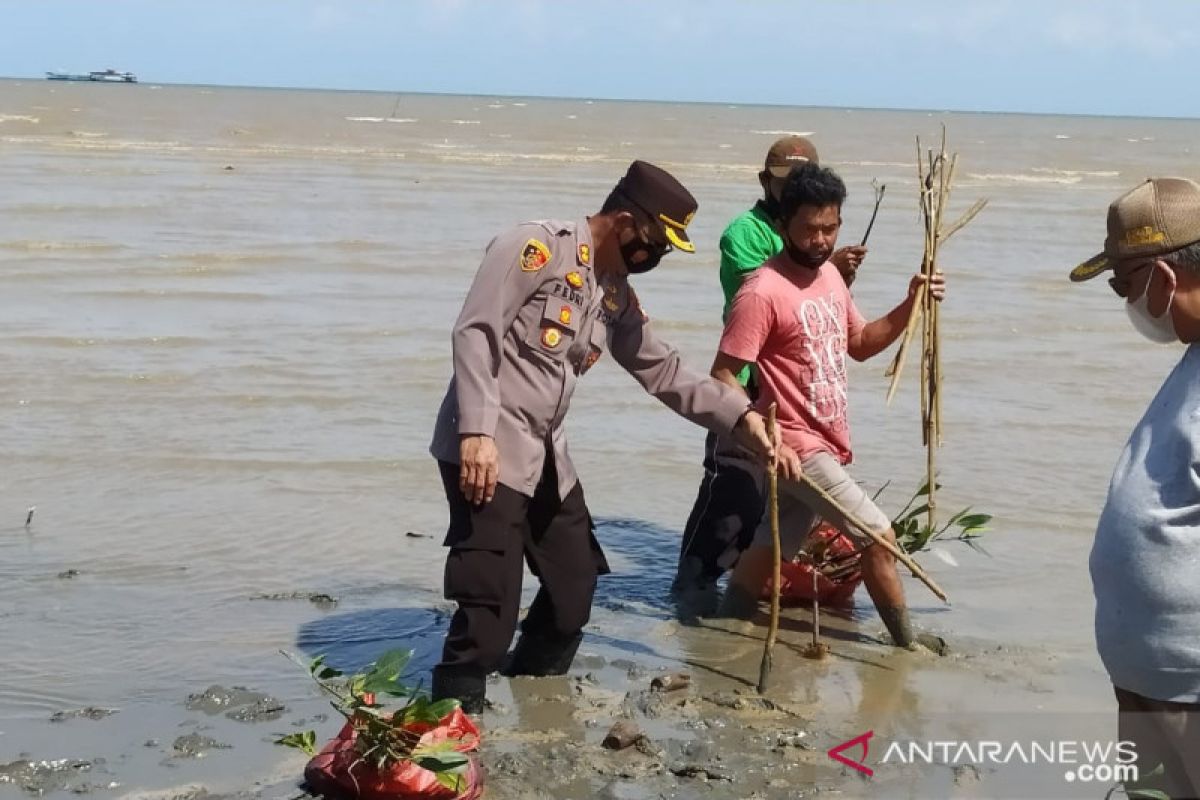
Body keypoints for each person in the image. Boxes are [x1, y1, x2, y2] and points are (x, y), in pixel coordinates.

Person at [428, 160, 778, 712]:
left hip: (546, 455)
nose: (657, 256)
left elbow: (662, 370)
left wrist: (740, 416)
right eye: (656, 242)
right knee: (489, 604)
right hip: (488, 450)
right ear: (623, 220)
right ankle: (452, 718)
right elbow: (475, 329)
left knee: (575, 587)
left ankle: (536, 695)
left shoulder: (612, 291)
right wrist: (475, 431)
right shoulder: (537, 248)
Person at [712, 161, 945, 651]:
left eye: (830, 228)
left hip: (825, 443)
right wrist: (766, 436)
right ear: (781, 226)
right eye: (809, 229)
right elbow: (725, 376)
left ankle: (726, 623)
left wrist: (913, 303)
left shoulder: (831, 280)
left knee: (770, 547)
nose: (821, 240)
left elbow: (859, 343)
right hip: (794, 444)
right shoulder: (761, 292)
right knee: (877, 537)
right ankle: (907, 647)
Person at [672, 136, 867, 601]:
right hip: (747, 389)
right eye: (786, 183)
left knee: (776, 510)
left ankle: (741, 600)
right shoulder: (744, 234)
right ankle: (689, 592)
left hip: (796, 403)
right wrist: (828, 265)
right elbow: (763, 292)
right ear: (766, 183)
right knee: (731, 499)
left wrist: (836, 274)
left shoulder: (815, 237)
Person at [1071, 177, 1200, 799]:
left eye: (1124, 285)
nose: (1123, 301)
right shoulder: (1194, 351)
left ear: (1165, 277)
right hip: (1150, 676)